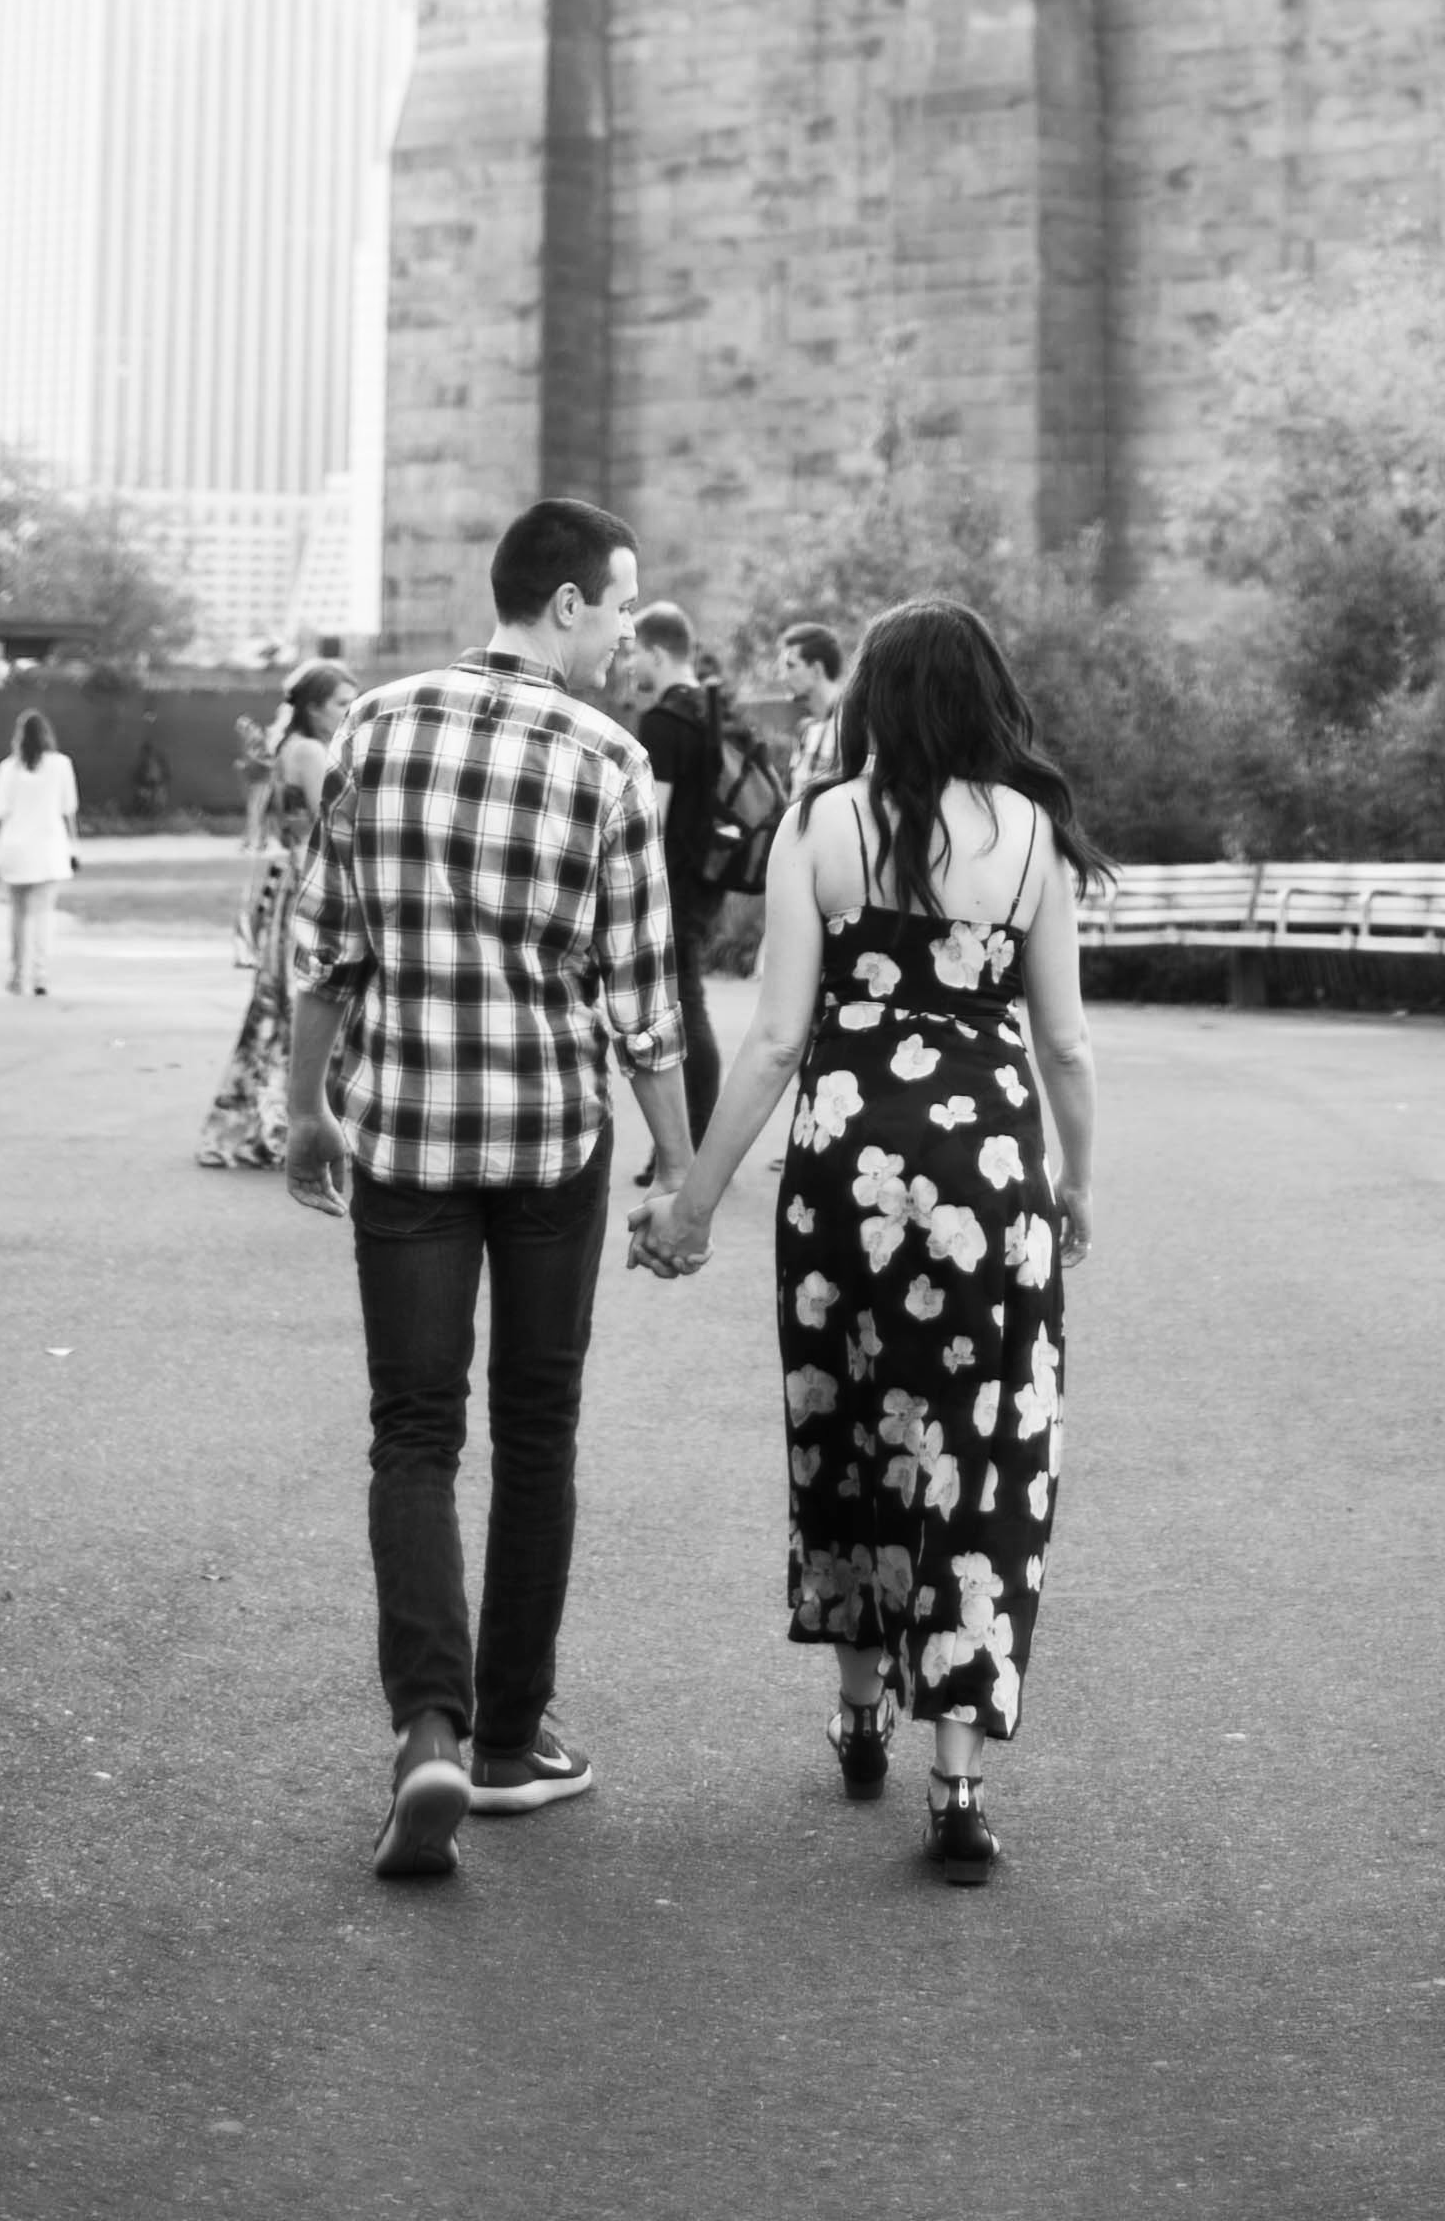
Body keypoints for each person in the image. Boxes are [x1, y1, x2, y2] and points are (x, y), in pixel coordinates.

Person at [642, 596, 1097, 1887]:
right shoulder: (1031, 838)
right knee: (981, 1455)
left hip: (844, 1172)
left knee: (846, 1429)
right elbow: (1064, 1041)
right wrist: (1080, 1187)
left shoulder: (819, 825)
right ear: (986, 699)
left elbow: (777, 1039)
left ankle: (857, 1715)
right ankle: (957, 1784)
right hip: (989, 1176)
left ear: (876, 702)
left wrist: (690, 1205)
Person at [282, 496, 693, 1887]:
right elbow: (643, 1006)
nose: (629, 631)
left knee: (413, 1432)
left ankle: (431, 1732)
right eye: (622, 605)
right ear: (567, 604)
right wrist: (681, 1166)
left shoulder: (375, 729)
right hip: (547, 1143)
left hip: (404, 1131)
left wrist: (301, 1109)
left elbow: (322, 948)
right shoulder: (611, 761)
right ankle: (514, 1739)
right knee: (537, 1428)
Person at [197, 661, 350, 1170]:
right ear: (312, 706)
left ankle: (272, 1118)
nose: (348, 712)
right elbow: (335, 826)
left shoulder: (290, 748)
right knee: (303, 1006)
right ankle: (286, 1121)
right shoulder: (309, 751)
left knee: (279, 1008)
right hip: (310, 888)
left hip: (290, 885)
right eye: (340, 703)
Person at [628, 602, 734, 1145]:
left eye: (635, 652)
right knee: (691, 1001)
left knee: (682, 1005)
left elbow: (653, 819)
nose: (630, 663)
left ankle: (689, 1140)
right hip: (707, 877)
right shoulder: (713, 711)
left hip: (672, 884)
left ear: (658, 652)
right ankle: (695, 1133)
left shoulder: (663, 722)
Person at [0, 708, 83, 991]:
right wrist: (74, 846)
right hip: (49, 849)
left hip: (15, 849)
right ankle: (41, 974)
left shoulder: (8, 768)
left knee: (17, 914)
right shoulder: (61, 765)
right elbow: (69, 809)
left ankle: (17, 972)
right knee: (42, 914)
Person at [777, 619, 848, 794]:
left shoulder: (852, 727)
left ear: (816, 669)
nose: (782, 677)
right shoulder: (806, 731)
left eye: (790, 666)